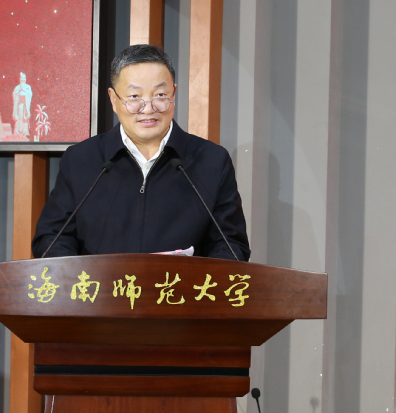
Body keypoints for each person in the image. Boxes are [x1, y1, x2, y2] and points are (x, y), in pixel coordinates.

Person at [31, 44, 250, 261]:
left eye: (160, 95)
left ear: (174, 93)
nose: (148, 108)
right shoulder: (81, 159)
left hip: (180, 285)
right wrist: (83, 278)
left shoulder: (211, 161)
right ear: (114, 99)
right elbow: (51, 239)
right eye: (134, 97)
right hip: (97, 285)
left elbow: (231, 245)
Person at [12, 72, 32, 138]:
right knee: (18, 119)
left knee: (25, 119)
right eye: (21, 78)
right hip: (18, 106)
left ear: (25, 79)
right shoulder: (17, 87)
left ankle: (25, 132)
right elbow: (14, 95)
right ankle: (17, 133)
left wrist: (25, 91)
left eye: (24, 78)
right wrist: (18, 92)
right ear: (19, 79)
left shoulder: (28, 87)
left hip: (25, 107)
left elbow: (29, 95)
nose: (23, 79)